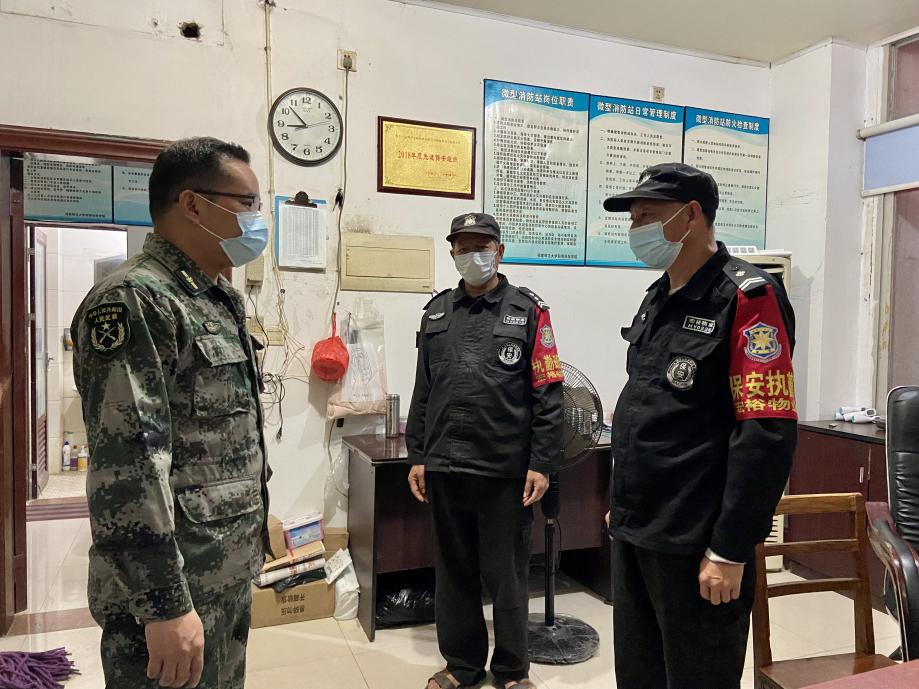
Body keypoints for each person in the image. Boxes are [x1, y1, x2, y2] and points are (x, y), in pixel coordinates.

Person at [72, 137, 270, 689]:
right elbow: (129, 465)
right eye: (247, 203)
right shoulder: (135, 300)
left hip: (220, 573)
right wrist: (164, 605)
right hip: (169, 594)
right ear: (192, 205)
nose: (257, 219)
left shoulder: (214, 297)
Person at [603, 163, 797, 689]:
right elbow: (650, 407)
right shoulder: (657, 296)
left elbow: (765, 432)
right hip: (638, 528)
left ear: (691, 216)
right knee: (639, 674)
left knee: (697, 677)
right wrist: (623, 502)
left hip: (697, 539)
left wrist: (731, 547)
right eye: (633, 218)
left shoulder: (749, 298)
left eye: (647, 215)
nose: (635, 228)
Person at [406, 213, 564, 689]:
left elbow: (549, 393)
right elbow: (423, 389)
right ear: (452, 252)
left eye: (482, 246)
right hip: (446, 464)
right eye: (463, 247)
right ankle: (462, 666)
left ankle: (512, 671)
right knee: (454, 573)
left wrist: (542, 463)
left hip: (505, 469)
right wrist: (418, 455)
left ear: (500, 251)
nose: (472, 255)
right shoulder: (436, 313)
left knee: (508, 576)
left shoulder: (529, 312)